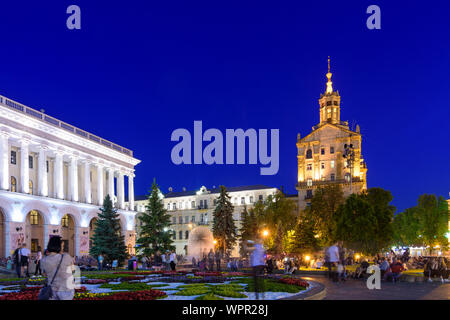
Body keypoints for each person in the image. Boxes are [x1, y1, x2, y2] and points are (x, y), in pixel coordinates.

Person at [41, 236, 75, 300]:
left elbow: (44, 274)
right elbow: (73, 270)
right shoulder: (66, 257)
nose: (62, 248)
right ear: (58, 246)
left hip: (52, 290)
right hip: (66, 288)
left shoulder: (43, 260)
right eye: (62, 246)